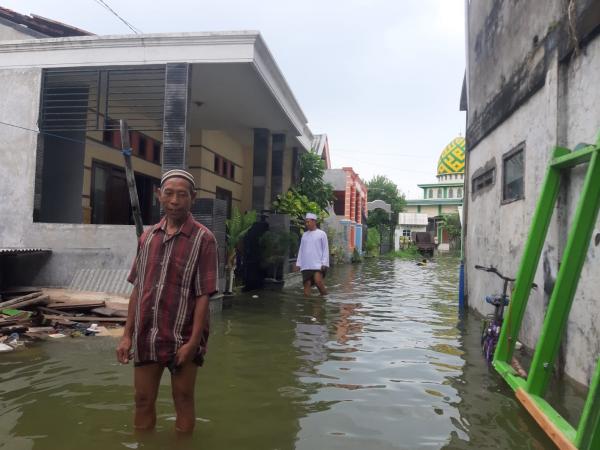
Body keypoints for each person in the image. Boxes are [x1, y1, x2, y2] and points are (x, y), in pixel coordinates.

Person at [116, 169, 219, 433]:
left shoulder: (204, 239)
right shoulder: (147, 237)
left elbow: (203, 295)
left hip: (182, 335)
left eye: (182, 195)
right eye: (169, 194)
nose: (175, 201)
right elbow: (138, 288)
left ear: (192, 198)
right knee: (141, 400)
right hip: (147, 333)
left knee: (183, 400)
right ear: (159, 195)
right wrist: (127, 335)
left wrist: (194, 342)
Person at [295, 212, 329, 296]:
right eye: (306, 222)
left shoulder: (322, 234)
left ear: (314, 222)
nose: (306, 224)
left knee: (318, 281)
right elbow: (301, 250)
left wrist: (324, 263)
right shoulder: (304, 235)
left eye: (308, 222)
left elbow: (325, 249)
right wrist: (298, 263)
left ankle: (325, 298)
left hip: (318, 264)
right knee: (307, 284)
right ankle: (307, 305)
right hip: (306, 264)